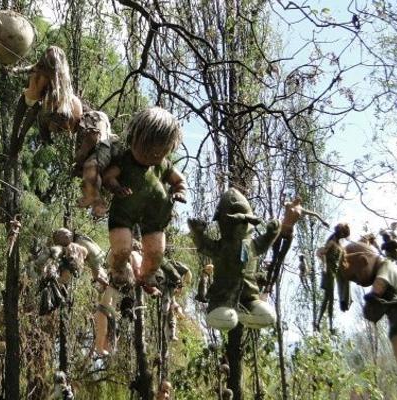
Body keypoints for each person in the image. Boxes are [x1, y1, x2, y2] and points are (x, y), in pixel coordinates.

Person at [102, 107, 187, 294]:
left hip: (155, 217)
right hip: (123, 213)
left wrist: (180, 192)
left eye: (159, 153)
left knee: (156, 252)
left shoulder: (163, 166)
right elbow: (108, 177)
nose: (153, 156)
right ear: (134, 138)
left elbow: (179, 181)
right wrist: (116, 187)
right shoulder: (125, 160)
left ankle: (147, 274)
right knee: (122, 249)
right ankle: (119, 270)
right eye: (147, 150)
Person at [188, 188, 280, 331]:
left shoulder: (252, 245)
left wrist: (272, 233)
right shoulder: (221, 246)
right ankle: (223, 310)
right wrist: (197, 233)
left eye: (244, 221)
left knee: (267, 316)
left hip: (250, 296)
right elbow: (204, 245)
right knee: (225, 319)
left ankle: (246, 311)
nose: (240, 225)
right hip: (223, 299)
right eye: (235, 220)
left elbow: (265, 242)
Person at [342, 241, 397, 391]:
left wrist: (372, 298)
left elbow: (379, 285)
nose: (358, 282)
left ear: (364, 261)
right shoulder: (385, 267)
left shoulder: (385, 267)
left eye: (355, 277)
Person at [11, 46, 83, 146]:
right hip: (28, 99)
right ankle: (16, 139)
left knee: (39, 116)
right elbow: (28, 69)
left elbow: (60, 94)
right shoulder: (39, 69)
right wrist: (15, 70)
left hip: (40, 104)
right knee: (17, 128)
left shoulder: (59, 80)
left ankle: (27, 138)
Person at [264, 196, 328, 293]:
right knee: (274, 259)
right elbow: (282, 202)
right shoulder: (289, 204)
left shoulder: (301, 209)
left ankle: (271, 285)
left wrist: (323, 221)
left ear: (300, 201)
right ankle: (267, 283)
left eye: (298, 198)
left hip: (289, 233)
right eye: (296, 197)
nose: (297, 198)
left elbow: (314, 214)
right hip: (281, 231)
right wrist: (282, 197)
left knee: (279, 261)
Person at [74, 110, 120, 217]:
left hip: (102, 148)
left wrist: (80, 156)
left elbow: (93, 136)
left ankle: (94, 198)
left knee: (90, 166)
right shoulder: (97, 118)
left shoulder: (88, 116)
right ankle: (98, 202)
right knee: (92, 174)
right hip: (108, 153)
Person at [316, 223, 350, 332]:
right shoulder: (331, 243)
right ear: (339, 232)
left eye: (344, 234)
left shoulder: (341, 247)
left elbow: (343, 262)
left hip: (334, 273)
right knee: (330, 299)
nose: (343, 236)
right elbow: (321, 253)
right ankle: (330, 326)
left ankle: (319, 323)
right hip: (329, 272)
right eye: (343, 233)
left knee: (327, 298)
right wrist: (324, 265)